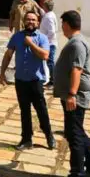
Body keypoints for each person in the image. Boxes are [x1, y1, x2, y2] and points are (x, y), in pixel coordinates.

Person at [55, 10, 90, 177]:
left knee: (74, 136)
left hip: (75, 96)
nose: (62, 28)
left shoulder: (77, 44)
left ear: (67, 24)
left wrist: (72, 94)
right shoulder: (75, 42)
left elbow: (77, 69)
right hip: (71, 94)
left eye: (62, 24)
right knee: (78, 133)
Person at [6, 10, 54, 149]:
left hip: (35, 81)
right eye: (28, 19)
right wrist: (2, 72)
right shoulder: (17, 36)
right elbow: (8, 54)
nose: (30, 22)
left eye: (33, 20)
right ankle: (26, 139)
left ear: (38, 22)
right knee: (24, 111)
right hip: (20, 80)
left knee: (41, 110)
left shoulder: (42, 38)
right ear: (24, 21)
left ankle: (49, 135)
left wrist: (31, 44)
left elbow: (45, 55)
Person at [40, 0, 59, 87]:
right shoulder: (50, 14)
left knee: (50, 62)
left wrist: (44, 40)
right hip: (50, 42)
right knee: (48, 62)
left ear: (46, 7)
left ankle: (53, 81)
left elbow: (51, 31)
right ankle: (50, 79)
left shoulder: (49, 17)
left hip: (49, 43)